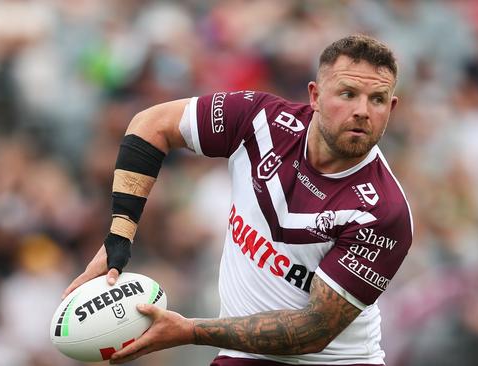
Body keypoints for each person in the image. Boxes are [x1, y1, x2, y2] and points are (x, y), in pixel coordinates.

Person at [62, 34, 413, 366]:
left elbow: (313, 331)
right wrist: (118, 238)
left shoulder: (382, 211)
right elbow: (150, 125)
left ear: (391, 107)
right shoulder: (261, 120)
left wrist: (190, 330)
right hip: (243, 357)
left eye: (377, 99)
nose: (363, 111)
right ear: (316, 95)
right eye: (348, 93)